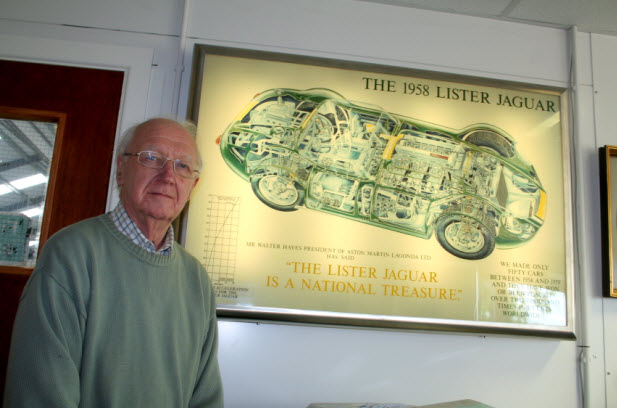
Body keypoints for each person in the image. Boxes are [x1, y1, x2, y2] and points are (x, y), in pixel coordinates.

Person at [3, 118, 224, 407]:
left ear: (193, 185)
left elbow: (205, 398)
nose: (168, 175)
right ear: (121, 170)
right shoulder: (70, 255)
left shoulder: (197, 279)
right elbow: (40, 393)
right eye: (152, 158)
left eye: (182, 166)